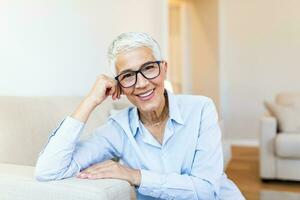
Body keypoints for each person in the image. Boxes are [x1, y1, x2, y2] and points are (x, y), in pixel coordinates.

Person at [35, 32, 244, 200]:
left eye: (149, 68)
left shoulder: (201, 109)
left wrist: (135, 175)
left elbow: (206, 190)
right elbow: (48, 170)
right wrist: (90, 101)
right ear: (119, 86)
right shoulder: (117, 128)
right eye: (128, 76)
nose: (142, 83)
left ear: (164, 69)